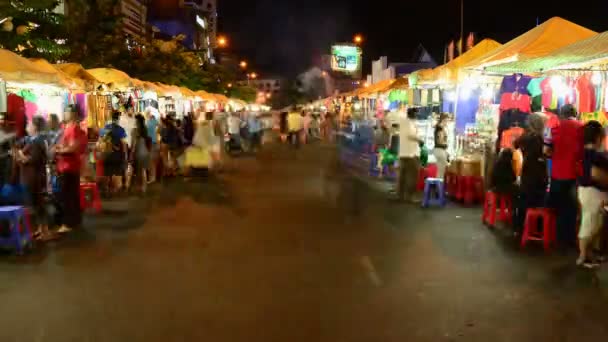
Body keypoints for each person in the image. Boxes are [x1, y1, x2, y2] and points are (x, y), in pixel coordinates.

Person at [544, 104, 583, 249]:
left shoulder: (553, 128)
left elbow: (546, 151)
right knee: (571, 208)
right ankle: (569, 239)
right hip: (574, 174)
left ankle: (558, 238)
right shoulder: (582, 128)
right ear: (575, 113)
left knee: (558, 206)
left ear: (561, 115)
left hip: (557, 173)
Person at [576, 121, 608, 268]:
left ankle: (587, 254)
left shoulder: (583, 153)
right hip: (593, 192)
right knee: (590, 224)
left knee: (592, 223)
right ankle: (583, 257)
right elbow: (596, 174)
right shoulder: (597, 155)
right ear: (598, 137)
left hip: (585, 190)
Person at [17, 116, 54, 240]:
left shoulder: (37, 141)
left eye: (29, 124)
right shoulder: (33, 140)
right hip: (32, 176)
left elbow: (32, 160)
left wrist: (20, 154)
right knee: (37, 204)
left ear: (35, 127)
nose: (27, 126)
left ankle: (45, 231)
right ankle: (41, 229)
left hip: (35, 177)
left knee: (39, 204)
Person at [512, 114, 547, 233]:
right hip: (538, 173)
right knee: (538, 201)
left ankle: (519, 227)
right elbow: (543, 154)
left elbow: (515, 144)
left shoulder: (525, 136)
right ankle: (536, 228)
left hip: (527, 172)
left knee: (524, 201)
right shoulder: (538, 138)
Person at [53, 109, 86, 233]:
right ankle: (75, 220)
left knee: (67, 196)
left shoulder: (72, 129)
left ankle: (68, 223)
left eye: (66, 111)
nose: (64, 113)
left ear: (72, 115)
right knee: (72, 195)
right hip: (72, 167)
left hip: (67, 167)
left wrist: (58, 150)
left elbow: (72, 148)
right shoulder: (75, 129)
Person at [397, 108, 423, 203]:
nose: (417, 116)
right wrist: (420, 140)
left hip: (404, 153)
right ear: (413, 114)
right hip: (410, 153)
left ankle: (401, 195)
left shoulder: (404, 122)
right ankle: (410, 196)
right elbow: (410, 135)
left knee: (403, 176)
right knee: (412, 176)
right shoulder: (409, 123)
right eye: (416, 114)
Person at [100, 112, 128, 193]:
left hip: (107, 155)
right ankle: (114, 190)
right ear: (118, 119)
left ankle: (106, 189)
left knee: (107, 173)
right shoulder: (120, 129)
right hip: (116, 155)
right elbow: (124, 144)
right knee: (116, 172)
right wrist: (125, 155)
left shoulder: (105, 128)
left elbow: (101, 141)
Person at [129, 114, 151, 194]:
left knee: (139, 172)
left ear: (137, 121)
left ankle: (139, 187)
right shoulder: (145, 129)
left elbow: (134, 144)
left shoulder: (134, 131)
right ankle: (144, 188)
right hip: (146, 152)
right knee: (144, 171)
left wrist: (131, 153)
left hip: (138, 153)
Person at [433, 113, 450, 179]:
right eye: (447, 120)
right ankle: (440, 187)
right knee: (442, 171)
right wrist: (446, 144)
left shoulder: (438, 127)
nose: (447, 122)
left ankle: (438, 187)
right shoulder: (440, 128)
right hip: (440, 151)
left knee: (440, 172)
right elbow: (440, 141)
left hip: (437, 151)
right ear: (444, 120)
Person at [145, 111, 159, 183]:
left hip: (151, 143)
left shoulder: (148, 122)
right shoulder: (153, 121)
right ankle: (153, 177)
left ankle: (152, 177)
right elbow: (159, 126)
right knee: (153, 161)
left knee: (151, 161)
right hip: (153, 142)